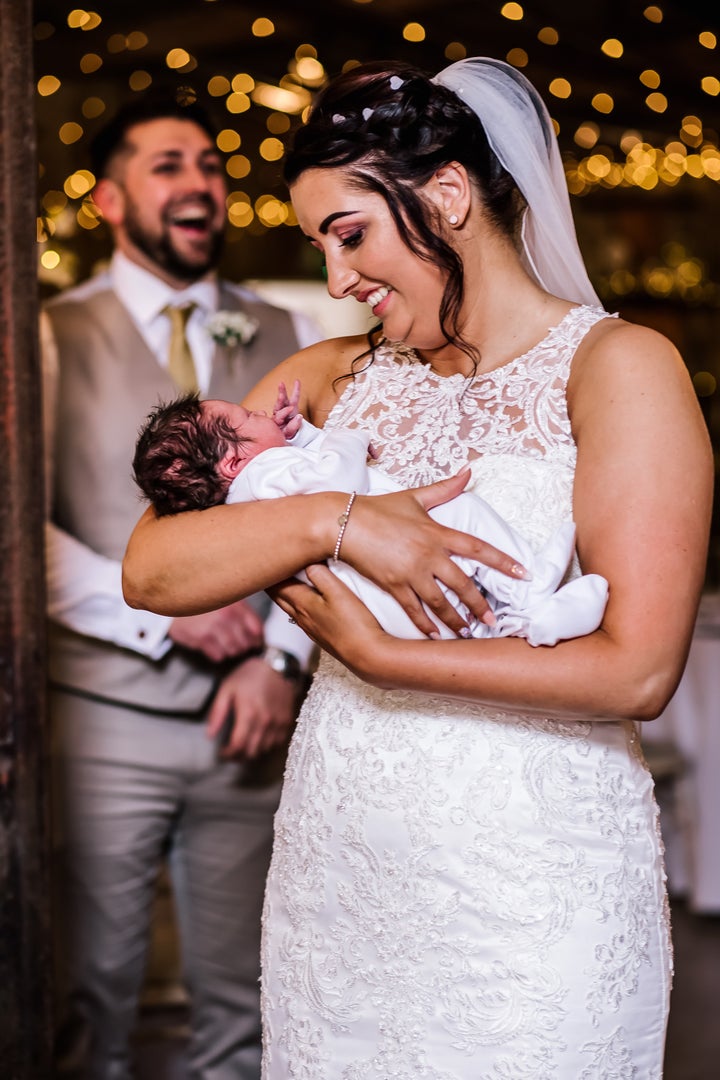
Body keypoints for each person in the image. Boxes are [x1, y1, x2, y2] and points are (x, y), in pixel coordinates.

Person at [122, 58, 714, 1078]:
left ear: (445, 196)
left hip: (534, 876)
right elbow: (154, 569)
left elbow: (638, 673)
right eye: (320, 248)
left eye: (348, 236)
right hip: (343, 867)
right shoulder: (328, 380)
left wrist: (381, 657)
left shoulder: (618, 370)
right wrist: (347, 521)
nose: (337, 281)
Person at [43, 92, 322, 1079]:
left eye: (209, 164)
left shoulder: (291, 328)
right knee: (89, 993)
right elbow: (18, 534)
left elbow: (333, 507)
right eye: (168, 165)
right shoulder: (46, 336)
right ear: (110, 200)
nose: (201, 183)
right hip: (101, 721)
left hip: (258, 721)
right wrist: (161, 616)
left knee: (249, 997)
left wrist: (283, 662)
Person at [132, 383, 609, 646]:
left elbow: (312, 477)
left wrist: (303, 436)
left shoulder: (252, 491)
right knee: (462, 507)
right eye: (248, 417)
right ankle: (529, 593)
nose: (261, 414)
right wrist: (347, 437)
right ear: (234, 463)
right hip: (397, 570)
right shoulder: (263, 476)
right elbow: (337, 486)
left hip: (388, 606)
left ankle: (513, 624)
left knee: (460, 602)